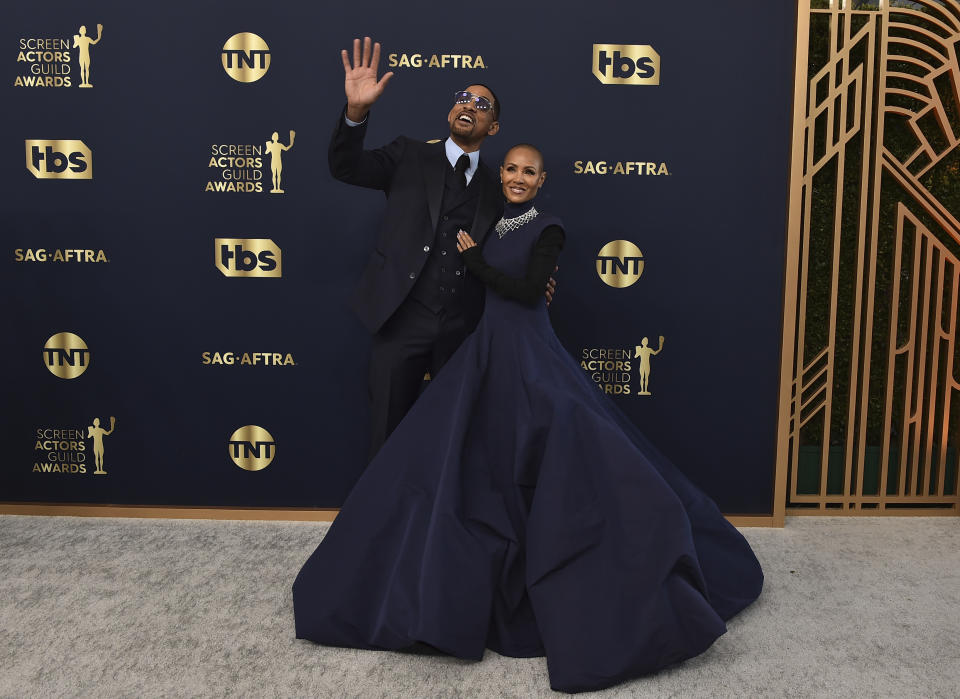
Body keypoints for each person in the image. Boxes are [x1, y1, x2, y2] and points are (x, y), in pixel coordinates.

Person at [293, 144, 764, 694]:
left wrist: (478, 263)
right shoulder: (492, 216)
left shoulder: (549, 227)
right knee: (468, 459)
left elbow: (522, 289)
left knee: (558, 443)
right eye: (511, 169)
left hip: (529, 351)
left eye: (529, 173)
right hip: (487, 348)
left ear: (543, 181)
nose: (518, 178)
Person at [330, 37, 531, 459]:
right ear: (450, 110)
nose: (469, 105)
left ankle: (441, 521)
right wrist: (356, 112)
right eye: (463, 98)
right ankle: (384, 522)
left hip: (462, 328)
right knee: (387, 434)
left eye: (482, 104)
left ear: (492, 127)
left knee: (454, 438)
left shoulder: (499, 188)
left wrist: (537, 280)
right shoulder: (408, 154)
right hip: (400, 319)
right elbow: (346, 167)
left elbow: (513, 247)